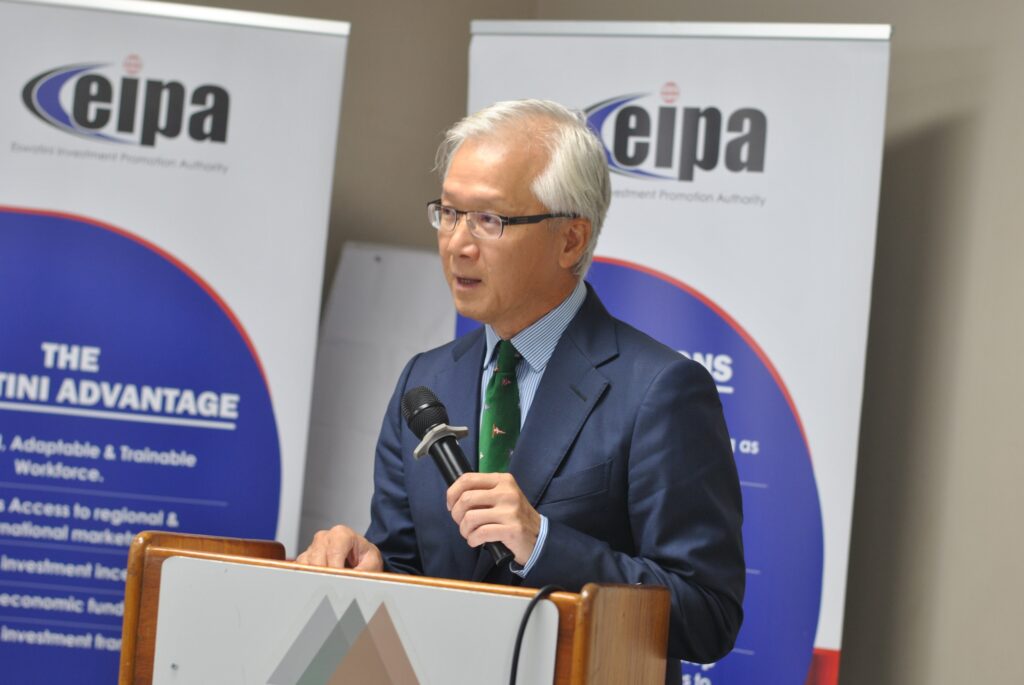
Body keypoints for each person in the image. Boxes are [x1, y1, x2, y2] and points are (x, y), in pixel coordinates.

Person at [297, 99, 745, 679]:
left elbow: (707, 614)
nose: (457, 244)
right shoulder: (424, 382)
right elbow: (410, 573)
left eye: (489, 220)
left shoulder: (660, 391)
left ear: (571, 240)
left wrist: (542, 544)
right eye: (449, 213)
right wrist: (368, 565)